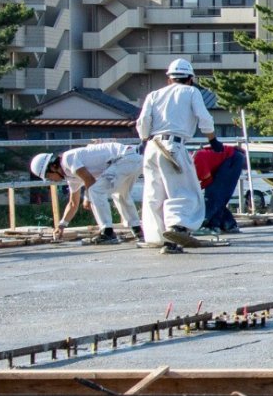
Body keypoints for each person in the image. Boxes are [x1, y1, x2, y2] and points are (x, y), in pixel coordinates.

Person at [136, 57, 216, 253]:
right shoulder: (191, 92)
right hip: (173, 146)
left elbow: (144, 120)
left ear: (169, 79)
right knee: (182, 190)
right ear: (190, 78)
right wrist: (212, 139)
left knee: (155, 193)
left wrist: (144, 138)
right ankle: (176, 229)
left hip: (152, 146)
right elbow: (204, 118)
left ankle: (157, 237)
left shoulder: (154, 94)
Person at [31, 142, 144, 245]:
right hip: (132, 160)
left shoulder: (68, 159)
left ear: (53, 166)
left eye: (48, 176)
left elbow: (89, 180)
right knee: (120, 193)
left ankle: (107, 233)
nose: (51, 180)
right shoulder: (71, 177)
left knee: (95, 190)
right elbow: (73, 203)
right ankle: (137, 230)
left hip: (125, 158)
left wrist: (87, 198)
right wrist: (61, 226)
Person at [194, 138, 247, 234]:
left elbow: (207, 181)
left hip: (231, 159)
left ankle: (209, 225)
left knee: (213, 195)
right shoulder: (193, 161)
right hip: (231, 158)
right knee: (219, 197)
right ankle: (229, 224)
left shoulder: (196, 162)